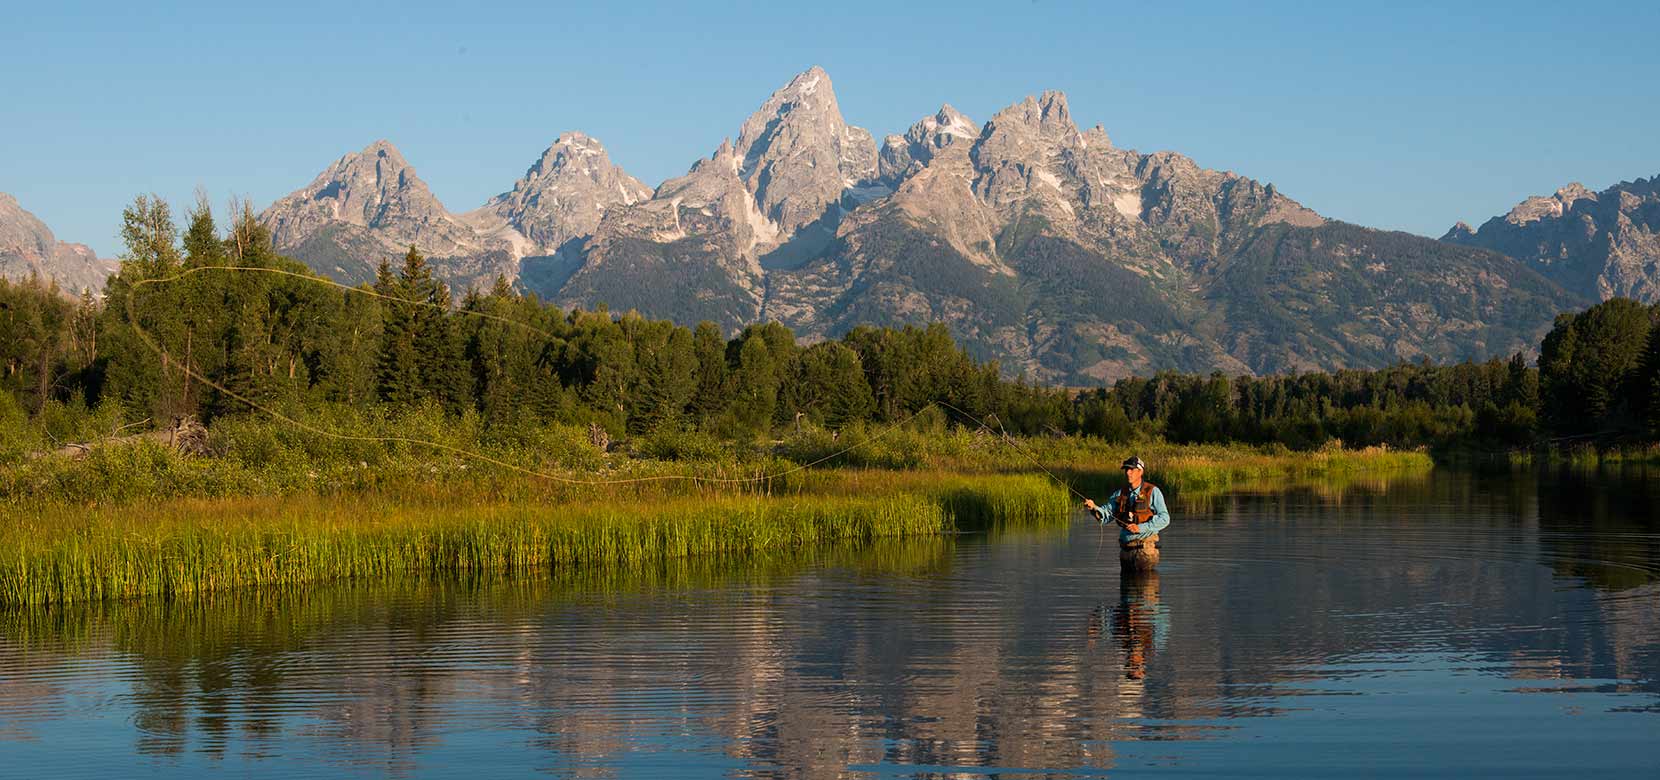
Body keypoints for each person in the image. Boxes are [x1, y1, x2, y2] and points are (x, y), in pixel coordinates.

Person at [1082, 456, 1170, 569]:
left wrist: (1140, 528)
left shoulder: (1152, 491)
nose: (1128, 473)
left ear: (1140, 471)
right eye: (1126, 470)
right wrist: (1094, 507)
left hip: (1146, 553)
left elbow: (1165, 518)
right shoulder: (1119, 494)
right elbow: (1105, 517)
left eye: (1131, 469)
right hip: (1125, 553)